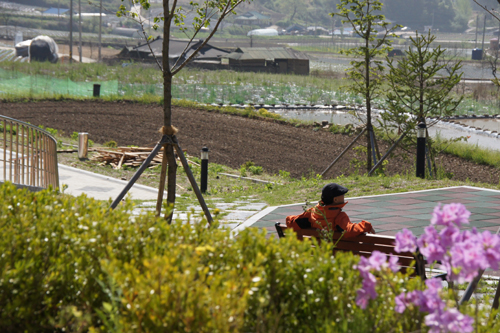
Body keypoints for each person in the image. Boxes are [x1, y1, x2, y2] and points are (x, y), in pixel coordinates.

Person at [285, 183, 375, 238]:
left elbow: (292, 223)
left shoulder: (312, 213)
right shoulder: (339, 216)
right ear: (335, 200)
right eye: (342, 194)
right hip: (336, 253)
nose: (344, 196)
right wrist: (366, 226)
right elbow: (349, 231)